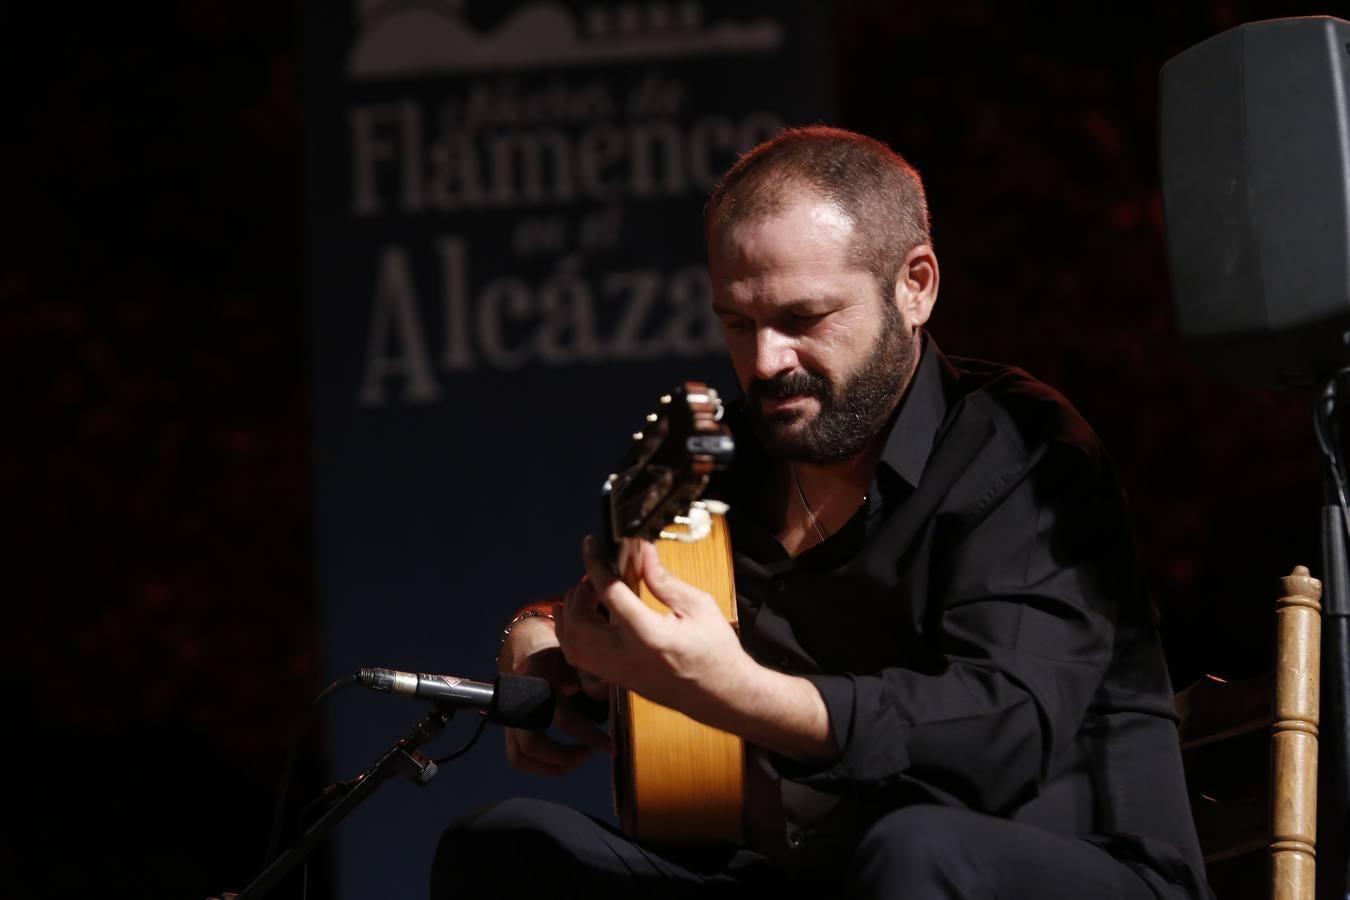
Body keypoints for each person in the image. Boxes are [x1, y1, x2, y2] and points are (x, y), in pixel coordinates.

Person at [430, 126, 1210, 900]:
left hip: (1056, 865)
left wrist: (735, 690)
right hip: (808, 875)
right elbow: (631, 619)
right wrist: (547, 636)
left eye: (803, 319)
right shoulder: (723, 457)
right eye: (738, 323)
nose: (766, 361)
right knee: (505, 848)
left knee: (914, 850)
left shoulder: (1024, 450)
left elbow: (1003, 731)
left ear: (916, 285)